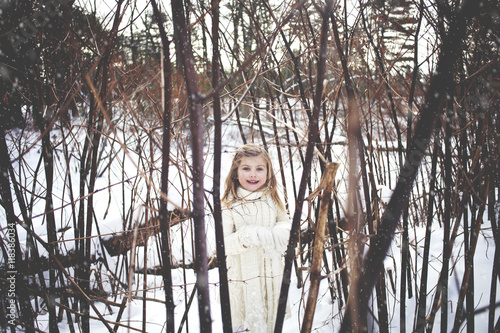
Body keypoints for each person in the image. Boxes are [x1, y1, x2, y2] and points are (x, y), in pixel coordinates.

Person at [221, 144, 291, 333]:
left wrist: (279, 232)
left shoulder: (272, 197)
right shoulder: (229, 204)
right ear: (236, 173)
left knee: (271, 321)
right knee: (248, 323)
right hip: (243, 277)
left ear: (268, 173)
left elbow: (285, 221)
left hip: (271, 273)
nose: (253, 174)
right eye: (246, 168)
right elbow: (223, 245)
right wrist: (247, 236)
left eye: (259, 168)